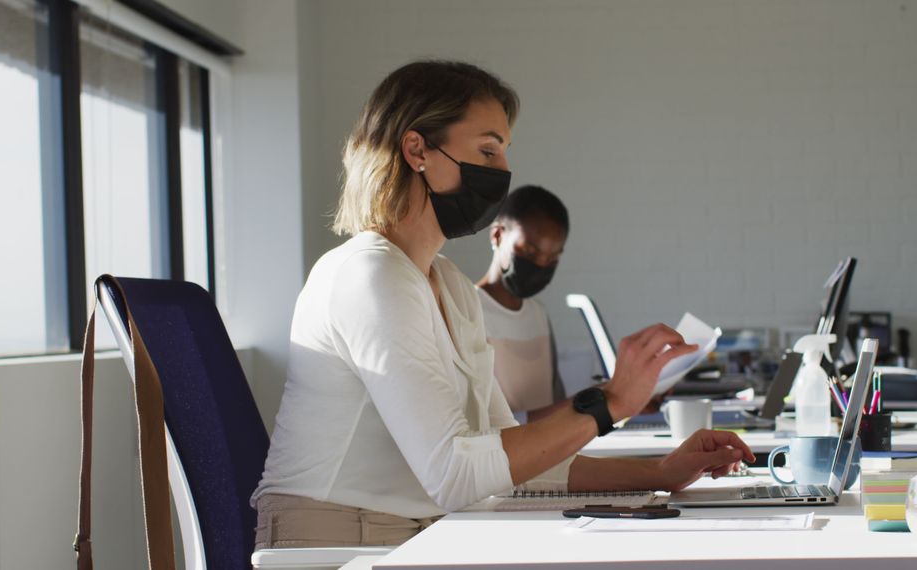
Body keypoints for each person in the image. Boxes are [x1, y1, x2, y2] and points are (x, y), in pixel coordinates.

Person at [250, 60, 754, 550]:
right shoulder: (369, 274)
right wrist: (610, 403)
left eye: (505, 153)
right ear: (416, 149)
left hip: (417, 533)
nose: (504, 171)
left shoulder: (448, 284)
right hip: (331, 545)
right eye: (488, 152)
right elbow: (455, 473)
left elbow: (507, 459)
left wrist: (660, 472)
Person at [476, 185, 571, 423]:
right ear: (497, 235)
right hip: (503, 457)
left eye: (552, 259)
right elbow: (478, 423)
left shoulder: (538, 314)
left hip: (549, 454)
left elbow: (556, 402)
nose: (540, 266)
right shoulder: (467, 309)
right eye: (529, 253)